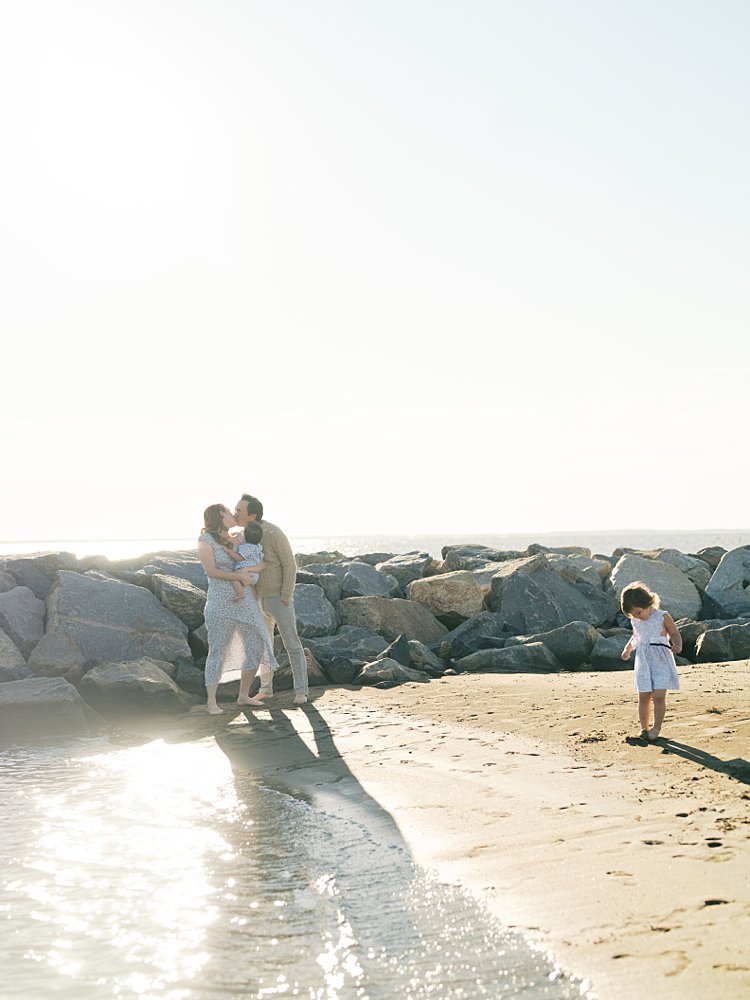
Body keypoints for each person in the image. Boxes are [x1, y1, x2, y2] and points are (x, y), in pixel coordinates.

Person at [197, 504, 278, 714]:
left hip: (245, 601)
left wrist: (249, 571)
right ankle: (211, 702)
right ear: (219, 516)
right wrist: (239, 577)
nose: (233, 514)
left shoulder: (237, 538)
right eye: (227, 511)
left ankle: (244, 695)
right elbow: (211, 571)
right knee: (218, 650)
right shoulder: (205, 541)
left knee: (257, 643)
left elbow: (256, 560)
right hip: (220, 601)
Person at [234, 493, 309, 705]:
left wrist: (286, 595)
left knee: (292, 644)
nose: (235, 513)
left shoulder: (273, 533)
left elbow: (289, 564)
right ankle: (266, 689)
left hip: (278, 599)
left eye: (239, 511)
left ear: (253, 515)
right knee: (263, 646)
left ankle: (301, 691)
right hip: (258, 599)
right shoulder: (243, 535)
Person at [620, 581, 682, 741]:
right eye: (632, 615)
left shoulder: (662, 616)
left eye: (638, 612)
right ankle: (644, 728)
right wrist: (628, 649)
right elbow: (636, 637)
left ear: (648, 603)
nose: (636, 617)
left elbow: (674, 633)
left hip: (660, 660)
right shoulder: (636, 621)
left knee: (659, 696)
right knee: (644, 696)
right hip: (643, 662)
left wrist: (677, 644)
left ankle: (656, 727)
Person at [230, 521, 264, 603]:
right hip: (255, 574)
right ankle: (255, 599)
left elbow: (239, 557)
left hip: (245, 573)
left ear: (245, 536)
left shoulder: (246, 547)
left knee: (233, 577)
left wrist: (229, 551)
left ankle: (240, 593)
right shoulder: (258, 546)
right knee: (252, 587)